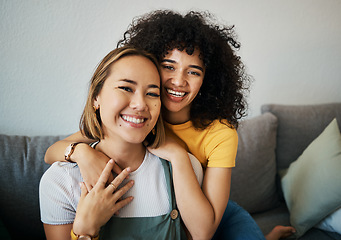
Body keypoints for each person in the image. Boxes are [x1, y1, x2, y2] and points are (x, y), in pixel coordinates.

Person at [44, 10, 295, 240]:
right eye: (168, 67)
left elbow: (204, 229)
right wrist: (82, 153)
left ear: (208, 79)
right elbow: (57, 149)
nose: (178, 81)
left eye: (194, 72)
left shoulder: (219, 133)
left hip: (213, 209)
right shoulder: (137, 116)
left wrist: (176, 153)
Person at [39, 46, 203, 240]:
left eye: (152, 93)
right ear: (95, 98)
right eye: (126, 88)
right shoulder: (60, 181)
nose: (140, 104)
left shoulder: (185, 168)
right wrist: (85, 231)